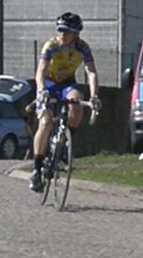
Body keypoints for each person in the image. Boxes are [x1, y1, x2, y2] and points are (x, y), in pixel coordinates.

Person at [29, 12, 100, 192]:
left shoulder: (83, 47)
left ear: (76, 34)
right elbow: (40, 71)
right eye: (59, 30)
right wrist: (42, 89)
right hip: (48, 84)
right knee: (45, 122)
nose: (61, 34)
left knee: (77, 103)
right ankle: (36, 168)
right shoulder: (51, 45)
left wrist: (94, 96)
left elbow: (91, 72)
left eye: (66, 31)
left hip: (67, 84)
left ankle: (65, 142)